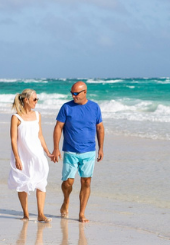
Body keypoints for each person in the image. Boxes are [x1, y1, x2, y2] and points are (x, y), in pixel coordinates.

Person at [52, 81, 104, 223]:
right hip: (70, 150)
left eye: (76, 93)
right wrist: (56, 148)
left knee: (86, 181)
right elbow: (58, 127)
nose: (73, 96)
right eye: (72, 93)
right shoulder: (66, 107)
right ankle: (66, 200)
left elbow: (100, 127)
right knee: (68, 182)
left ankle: (81, 213)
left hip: (89, 151)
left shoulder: (94, 107)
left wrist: (101, 148)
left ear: (84, 92)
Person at [8, 89, 52, 222]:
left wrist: (47, 152)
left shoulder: (38, 115)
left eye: (37, 99)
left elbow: (40, 135)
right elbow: (13, 139)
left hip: (37, 154)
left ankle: (41, 214)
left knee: (41, 182)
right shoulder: (16, 118)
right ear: (26, 100)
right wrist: (17, 157)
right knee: (22, 182)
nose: (36, 101)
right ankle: (26, 214)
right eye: (35, 99)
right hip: (23, 155)